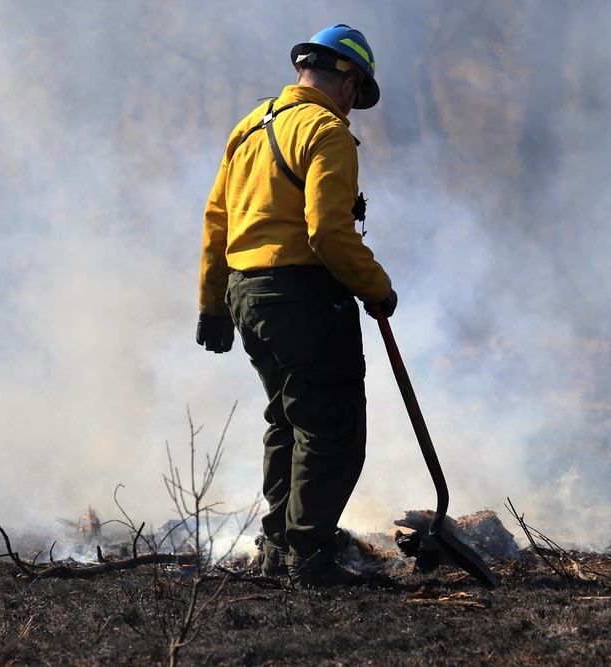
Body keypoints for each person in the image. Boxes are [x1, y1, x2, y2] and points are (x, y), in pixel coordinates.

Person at [196, 24, 397, 587]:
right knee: (329, 427)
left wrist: (213, 305)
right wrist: (377, 288)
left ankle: (277, 549)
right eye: (357, 90)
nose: (354, 103)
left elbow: (217, 223)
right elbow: (329, 233)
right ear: (347, 79)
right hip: (304, 297)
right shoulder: (326, 131)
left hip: (246, 296)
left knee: (288, 419)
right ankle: (309, 561)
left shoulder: (248, 129)